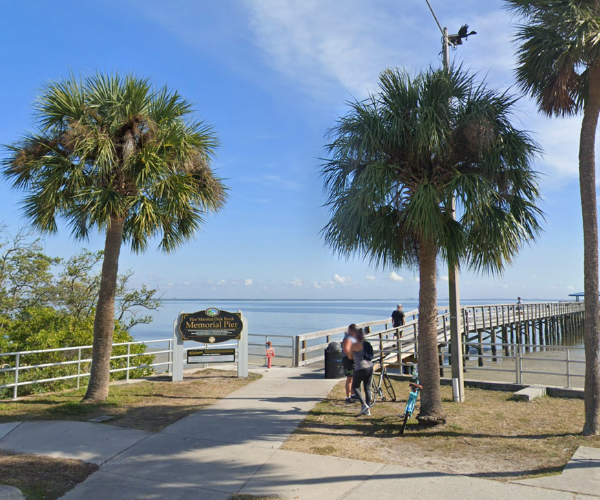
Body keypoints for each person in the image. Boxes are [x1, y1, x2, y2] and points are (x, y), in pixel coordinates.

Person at [350, 328, 374, 416]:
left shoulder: (355, 345)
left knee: (355, 387)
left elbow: (350, 357)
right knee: (367, 388)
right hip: (370, 366)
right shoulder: (367, 343)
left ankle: (364, 405)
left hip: (361, 367)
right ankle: (368, 410)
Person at [342, 324, 358, 404]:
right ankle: (348, 397)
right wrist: (353, 357)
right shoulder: (347, 339)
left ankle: (353, 394)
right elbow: (347, 352)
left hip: (353, 360)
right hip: (348, 361)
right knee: (349, 379)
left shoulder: (353, 338)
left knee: (354, 378)